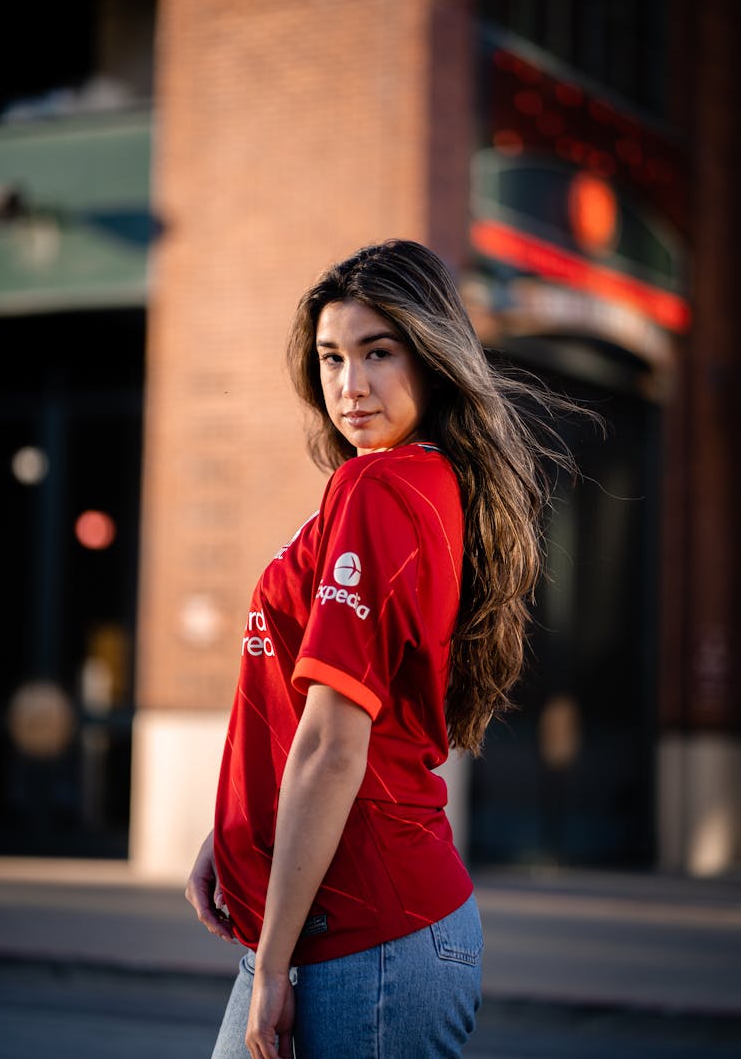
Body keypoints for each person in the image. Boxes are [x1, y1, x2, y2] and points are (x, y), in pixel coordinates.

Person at [186, 238, 579, 1058]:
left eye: (378, 352)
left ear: (431, 359)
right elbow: (306, 717)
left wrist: (273, 970)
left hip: (363, 936)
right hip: (363, 926)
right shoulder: (407, 484)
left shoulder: (380, 489)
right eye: (331, 357)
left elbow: (335, 745)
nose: (349, 385)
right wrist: (232, 832)